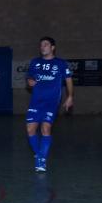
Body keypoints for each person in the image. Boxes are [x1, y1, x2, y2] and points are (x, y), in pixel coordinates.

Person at [26, 36, 74, 172]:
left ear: (53, 47)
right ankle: (39, 155)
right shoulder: (35, 62)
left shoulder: (61, 63)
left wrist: (70, 97)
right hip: (36, 101)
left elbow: (69, 80)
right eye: (41, 45)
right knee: (30, 130)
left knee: (45, 129)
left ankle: (41, 160)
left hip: (51, 101)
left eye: (46, 44)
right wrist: (30, 81)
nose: (43, 47)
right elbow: (30, 77)